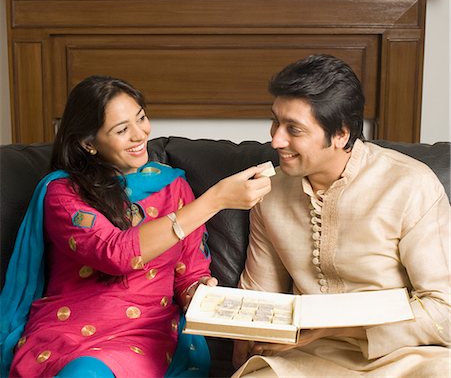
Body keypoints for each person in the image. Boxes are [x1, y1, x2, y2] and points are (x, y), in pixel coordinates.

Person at [0, 75, 271, 378]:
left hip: (143, 331)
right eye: (121, 129)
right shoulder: (64, 193)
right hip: (68, 331)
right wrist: (215, 200)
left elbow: (189, 273)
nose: (139, 134)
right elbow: (115, 254)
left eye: (141, 118)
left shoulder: (173, 186)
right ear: (89, 144)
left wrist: (196, 291)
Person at [232, 54, 450, 378]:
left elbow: (443, 312)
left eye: (294, 129)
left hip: (404, 355)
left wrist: (332, 329)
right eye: (276, 121)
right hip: (302, 357)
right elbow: (259, 296)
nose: (276, 139)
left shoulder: (410, 185)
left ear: (341, 135)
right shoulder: (269, 191)